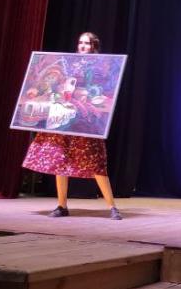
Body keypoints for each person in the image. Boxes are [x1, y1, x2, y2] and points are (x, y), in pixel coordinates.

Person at [22, 32, 121, 220]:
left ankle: (112, 207)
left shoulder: (100, 65)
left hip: (83, 117)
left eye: (87, 43)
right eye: (80, 42)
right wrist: (44, 89)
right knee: (60, 160)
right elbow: (55, 80)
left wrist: (88, 92)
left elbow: (103, 88)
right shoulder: (69, 62)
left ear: (93, 46)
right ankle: (62, 206)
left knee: (96, 162)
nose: (83, 46)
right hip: (64, 113)